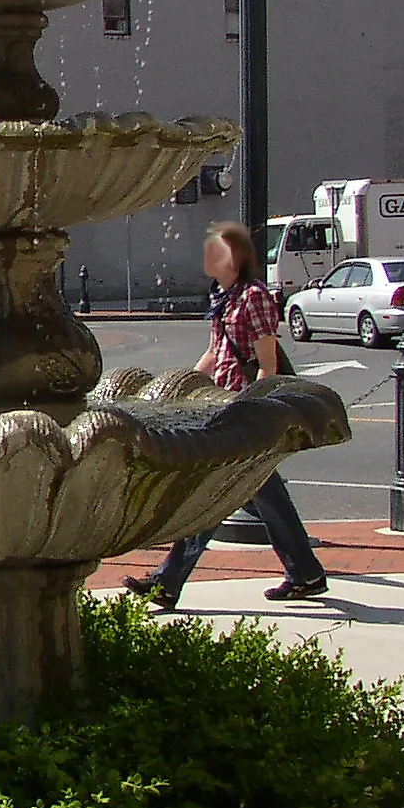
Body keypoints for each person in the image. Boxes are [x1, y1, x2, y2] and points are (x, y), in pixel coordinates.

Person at [125, 221, 330, 610]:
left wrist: (251, 411)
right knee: (257, 494)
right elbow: (216, 354)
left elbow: (267, 364)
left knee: (212, 492)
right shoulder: (224, 297)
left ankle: (168, 581)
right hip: (221, 404)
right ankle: (306, 572)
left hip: (240, 412)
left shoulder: (253, 298)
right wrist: (178, 383)